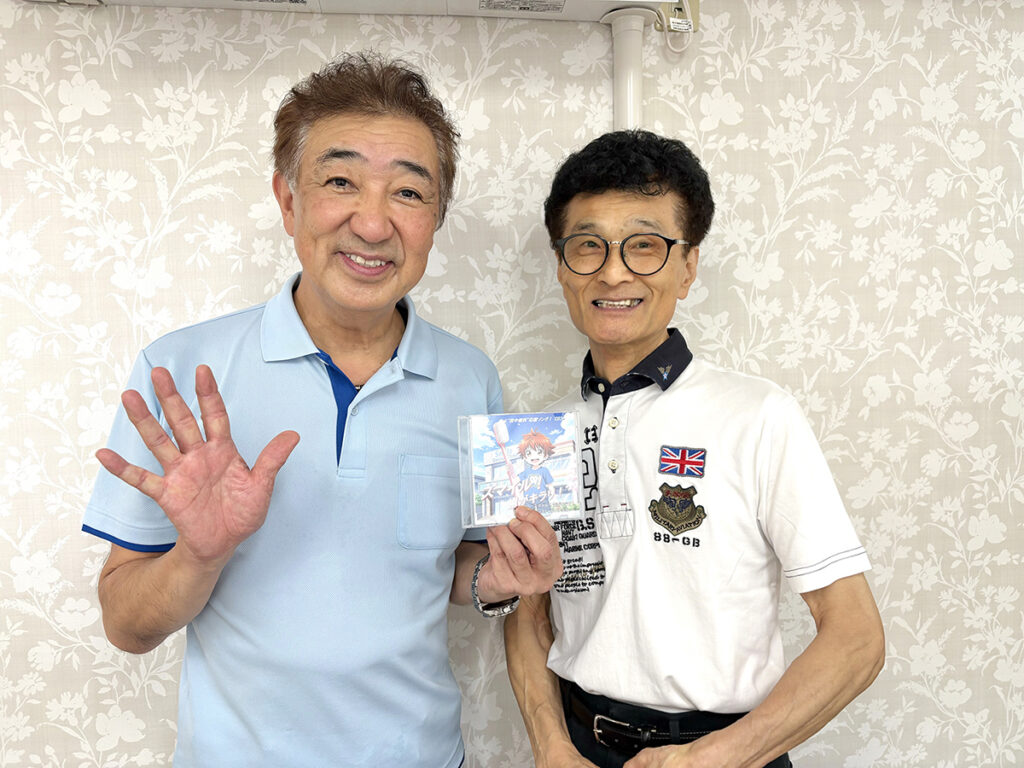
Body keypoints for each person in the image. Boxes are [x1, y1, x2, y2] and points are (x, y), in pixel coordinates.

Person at [82, 52, 562, 768]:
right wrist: (200, 555)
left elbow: (456, 565)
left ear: (435, 220)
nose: (372, 223)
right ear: (288, 201)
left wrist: (492, 581)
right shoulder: (182, 373)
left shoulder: (470, 378)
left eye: (409, 192)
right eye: (340, 181)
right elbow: (126, 627)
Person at [504, 130, 885, 768]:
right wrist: (550, 746)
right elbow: (527, 611)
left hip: (728, 753)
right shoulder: (539, 436)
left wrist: (716, 758)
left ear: (687, 267)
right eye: (587, 246)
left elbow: (857, 638)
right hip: (578, 748)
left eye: (645, 245)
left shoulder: (759, 415)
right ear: (562, 266)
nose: (613, 271)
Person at [518, 429, 556, 513]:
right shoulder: (526, 472)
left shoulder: (544, 471)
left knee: (545, 515)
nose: (534, 456)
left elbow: (549, 484)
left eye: (539, 452)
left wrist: (552, 491)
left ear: (546, 455)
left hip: (542, 498)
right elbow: (517, 481)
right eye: (529, 453)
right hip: (528, 499)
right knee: (528, 517)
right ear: (524, 457)